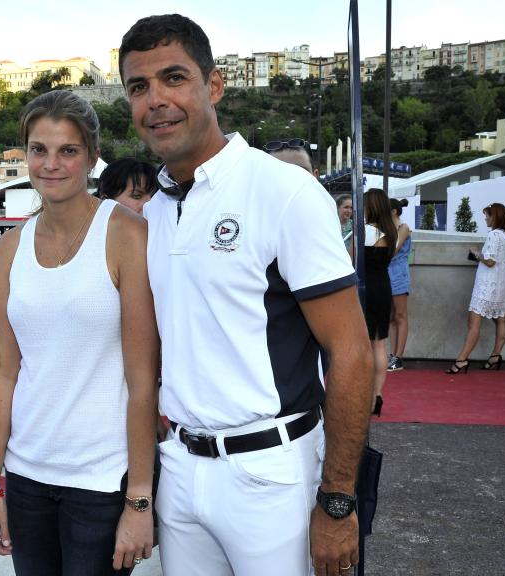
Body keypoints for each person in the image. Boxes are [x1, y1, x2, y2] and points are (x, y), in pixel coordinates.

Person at [120, 15, 371, 576]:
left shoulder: (283, 192)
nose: (156, 100)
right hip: (180, 470)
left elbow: (351, 351)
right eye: (139, 87)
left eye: (174, 78)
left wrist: (337, 500)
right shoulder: (152, 213)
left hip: (271, 476)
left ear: (214, 86)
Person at [0, 89, 158, 575]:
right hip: (27, 478)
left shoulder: (125, 234)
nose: (51, 164)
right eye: (39, 150)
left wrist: (139, 499)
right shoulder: (9, 249)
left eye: (68, 151)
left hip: (101, 481)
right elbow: (6, 376)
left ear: (92, 157)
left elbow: (144, 380)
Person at [447, 203, 505, 374]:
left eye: (488, 215)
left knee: (473, 323)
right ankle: (495, 356)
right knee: (500, 319)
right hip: (501, 285)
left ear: (496, 217)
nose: (486, 218)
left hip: (486, 285)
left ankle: (462, 359)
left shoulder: (494, 235)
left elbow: (490, 261)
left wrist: (476, 253)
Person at [362, 189, 398, 416]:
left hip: (365, 289)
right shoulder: (391, 233)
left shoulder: (365, 231)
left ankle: (365, 394)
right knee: (380, 343)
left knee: (364, 343)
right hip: (384, 287)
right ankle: (377, 394)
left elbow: (350, 261)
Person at [387, 198, 412, 372]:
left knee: (400, 316)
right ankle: (393, 355)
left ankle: (398, 357)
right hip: (387, 274)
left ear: (394, 211)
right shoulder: (387, 228)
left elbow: (392, 250)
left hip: (398, 274)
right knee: (391, 317)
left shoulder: (403, 228)